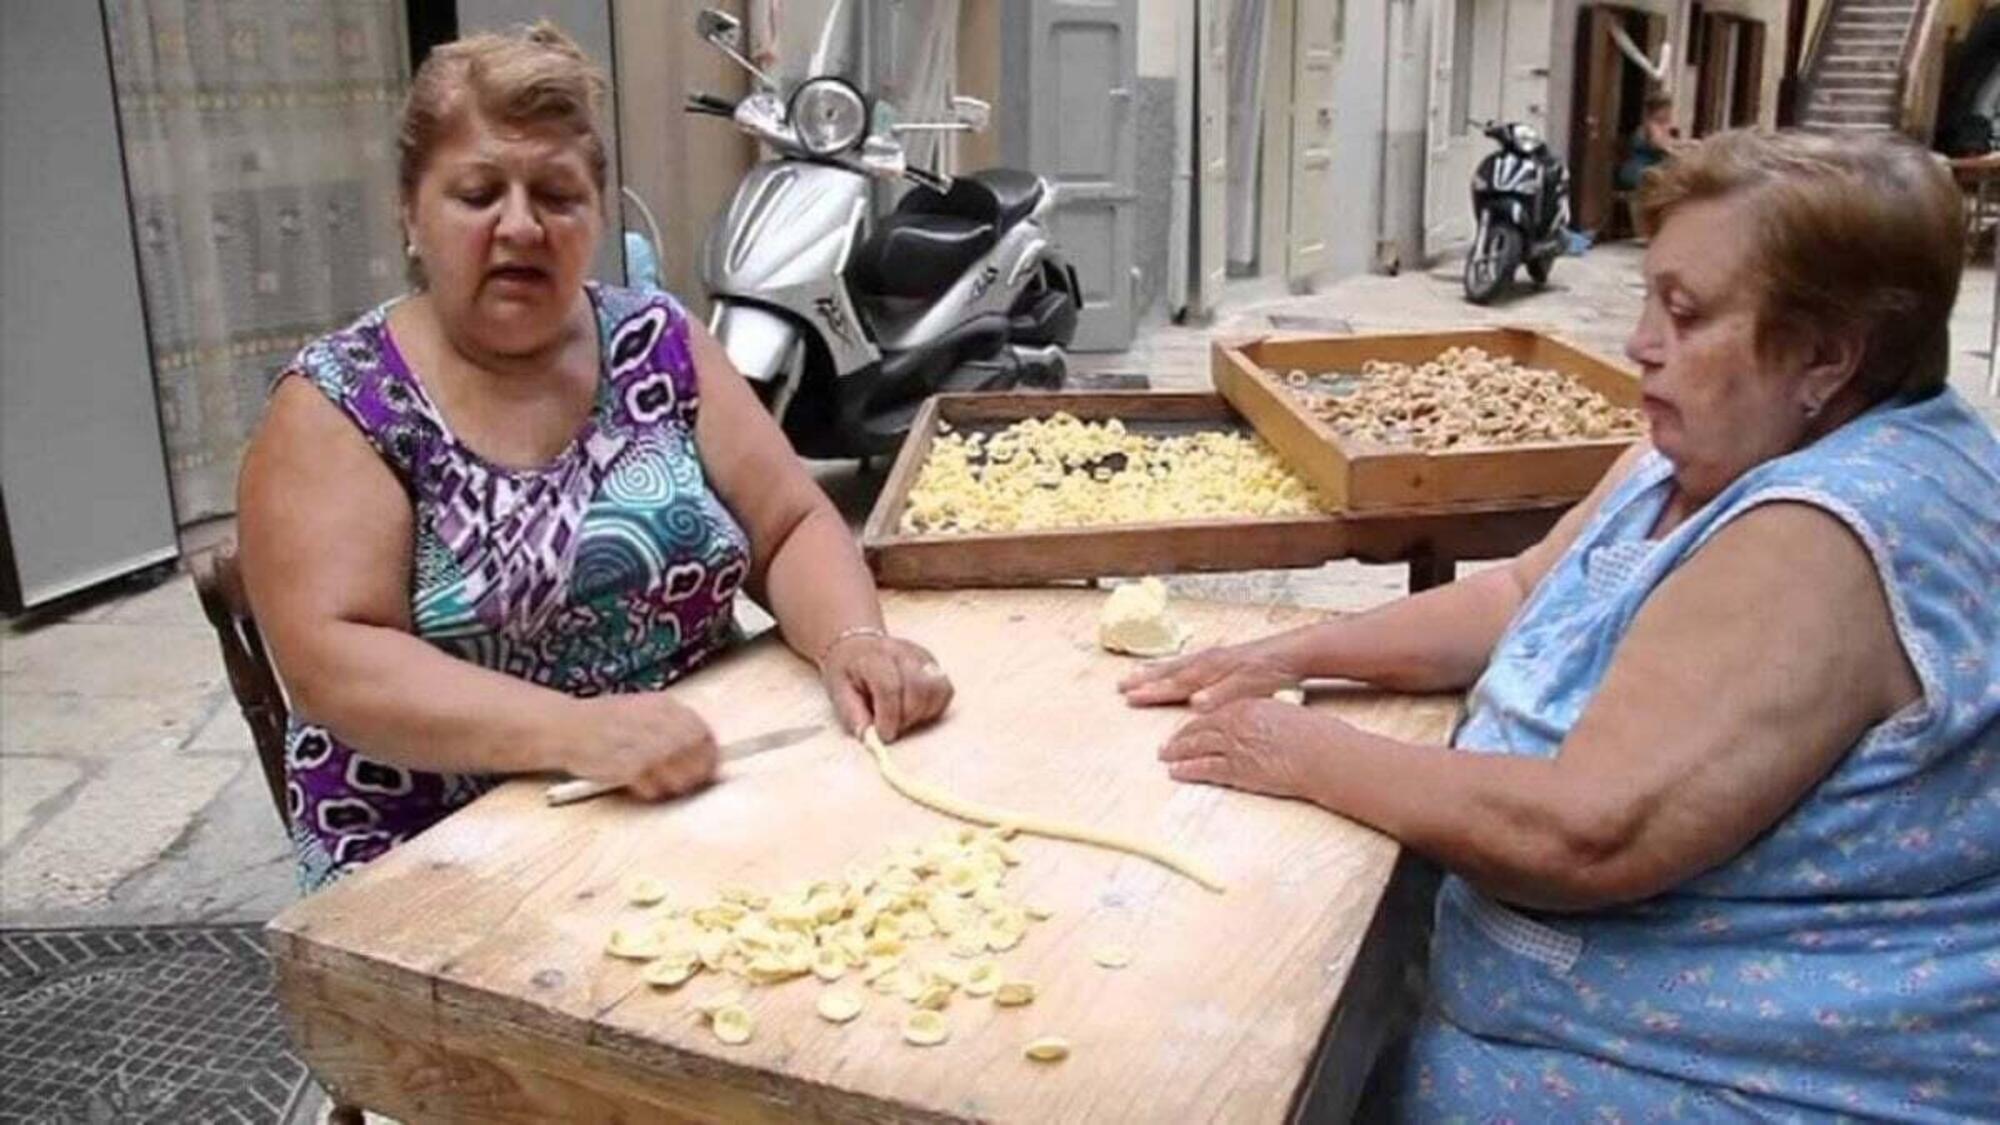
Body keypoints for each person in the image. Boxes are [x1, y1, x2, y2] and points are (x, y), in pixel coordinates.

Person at [1122, 129, 1997, 1119]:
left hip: (1717, 1076)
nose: (1637, 344)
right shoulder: (1710, 442)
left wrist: (1300, 749)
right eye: (1648, 297)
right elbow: (1517, 594)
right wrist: (1289, 651)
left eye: (1685, 311)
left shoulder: (1819, 532)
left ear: (1823, 357)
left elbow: (1587, 833)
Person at [239, 23, 952, 890]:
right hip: (437, 848)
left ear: (596, 211)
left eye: (557, 194)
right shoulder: (343, 401)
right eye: (476, 194)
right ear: (410, 213)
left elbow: (791, 521)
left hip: (692, 789)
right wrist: (572, 732)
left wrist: (850, 639)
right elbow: (333, 661)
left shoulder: (658, 343)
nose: (520, 226)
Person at [1617, 90, 1682, 192]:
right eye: (1665, 109)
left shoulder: (1661, 124)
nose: (1668, 113)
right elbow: (1658, 144)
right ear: (1655, 110)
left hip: (1652, 171)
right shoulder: (1651, 125)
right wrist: (1675, 153)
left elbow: (1670, 142)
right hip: (1640, 171)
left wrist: (1689, 144)